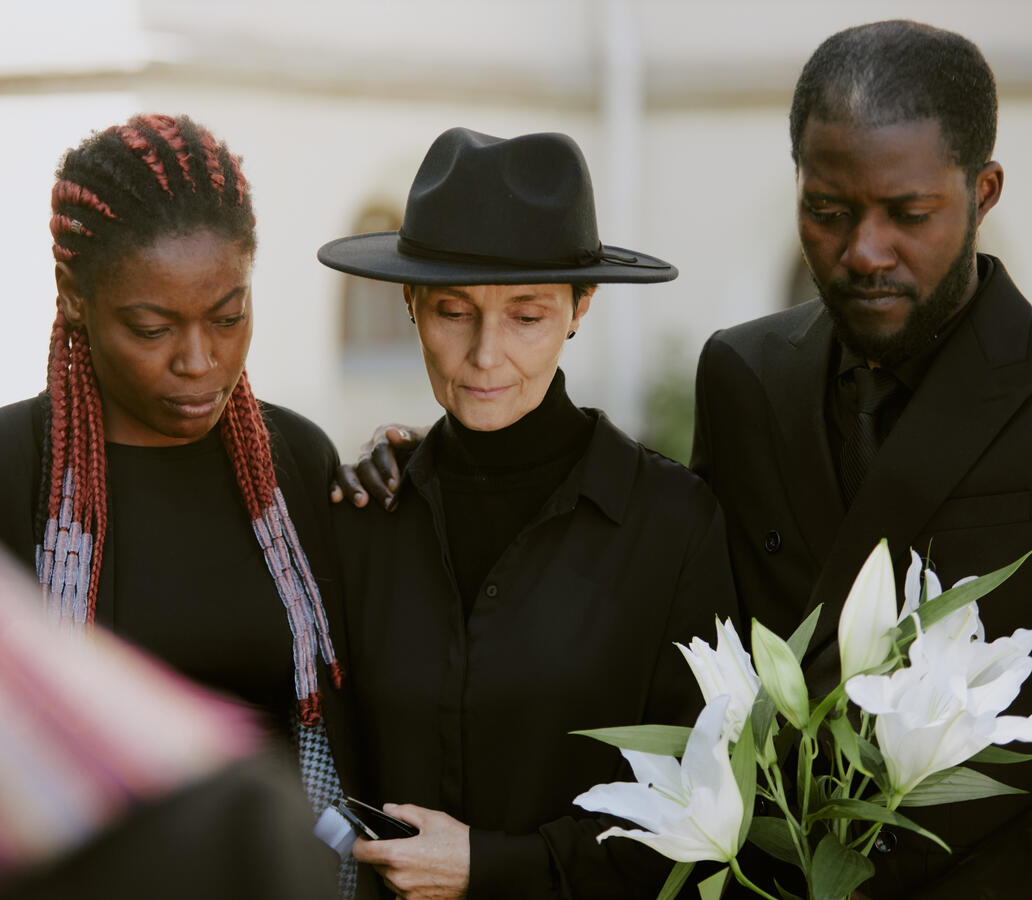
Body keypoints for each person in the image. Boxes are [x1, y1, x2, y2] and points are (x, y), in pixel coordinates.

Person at [320, 127, 739, 899]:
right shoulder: (360, 519)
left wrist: (491, 866)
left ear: (581, 307)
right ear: (410, 303)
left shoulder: (673, 528)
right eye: (453, 311)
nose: (485, 356)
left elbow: (702, 813)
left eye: (526, 315)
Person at [689, 20, 1032, 898]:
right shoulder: (742, 374)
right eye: (828, 213)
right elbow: (665, 583)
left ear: (983, 191)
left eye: (909, 215)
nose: (863, 253)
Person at [0, 114, 361, 898]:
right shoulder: (10, 469)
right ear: (73, 298)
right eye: (153, 327)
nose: (200, 362)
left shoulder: (294, 461)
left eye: (228, 318)